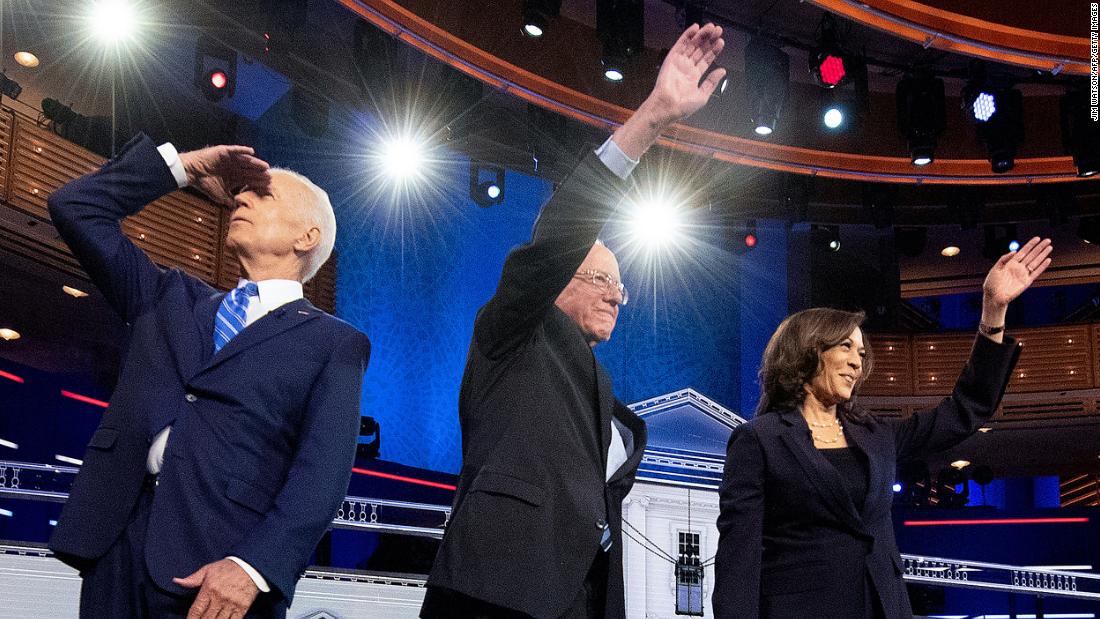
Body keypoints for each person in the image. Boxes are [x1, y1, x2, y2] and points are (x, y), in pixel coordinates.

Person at [422, 23, 727, 619]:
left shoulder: (601, 389)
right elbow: (562, 232)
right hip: (496, 591)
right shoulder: (513, 333)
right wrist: (653, 119)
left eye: (621, 284)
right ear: (557, 279)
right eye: (603, 281)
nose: (620, 297)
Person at [47, 134, 371, 618]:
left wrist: (253, 567)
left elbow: (320, 477)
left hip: (219, 570)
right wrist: (185, 167)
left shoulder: (334, 343)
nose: (241, 197)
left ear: (307, 237)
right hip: (115, 546)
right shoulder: (167, 297)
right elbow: (74, 207)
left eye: (263, 195)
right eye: (243, 193)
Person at [713, 237, 1052, 619]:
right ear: (807, 350)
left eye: (860, 353)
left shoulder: (876, 436)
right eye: (844, 347)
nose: (857, 362)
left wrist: (993, 311)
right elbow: (737, 562)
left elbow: (965, 409)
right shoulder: (759, 441)